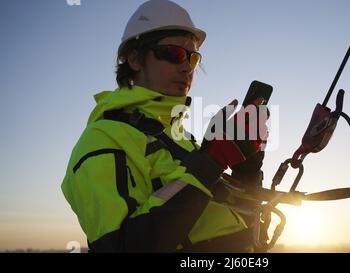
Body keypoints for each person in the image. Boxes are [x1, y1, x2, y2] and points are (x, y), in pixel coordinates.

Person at [61, 0, 269, 252]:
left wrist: (244, 169)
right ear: (135, 59)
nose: (186, 67)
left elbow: (229, 218)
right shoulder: (101, 140)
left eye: (192, 58)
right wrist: (212, 160)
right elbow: (121, 246)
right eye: (174, 53)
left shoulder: (179, 136)